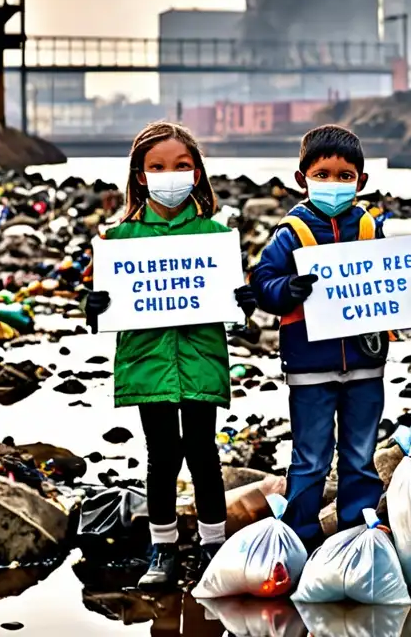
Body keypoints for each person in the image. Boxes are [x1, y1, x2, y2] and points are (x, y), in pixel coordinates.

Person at [250, 125, 411, 550]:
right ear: (301, 178)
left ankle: (357, 531)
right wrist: (286, 290)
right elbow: (262, 281)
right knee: (309, 458)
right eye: (323, 174)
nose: (334, 184)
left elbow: (390, 283)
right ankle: (301, 535)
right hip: (309, 366)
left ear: (360, 181)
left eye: (345, 176)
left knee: (360, 456)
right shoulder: (291, 233)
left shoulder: (368, 228)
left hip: (365, 363)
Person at [81, 121, 258, 589]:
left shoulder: (214, 235)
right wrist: (93, 306)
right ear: (140, 175)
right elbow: (102, 311)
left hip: (201, 359)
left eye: (181, 166)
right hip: (147, 363)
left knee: (204, 455)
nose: (170, 174)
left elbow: (234, 306)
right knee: (161, 457)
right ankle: (162, 550)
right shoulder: (118, 240)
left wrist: (244, 303)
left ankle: (213, 545)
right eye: (157, 166)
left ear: (197, 173)